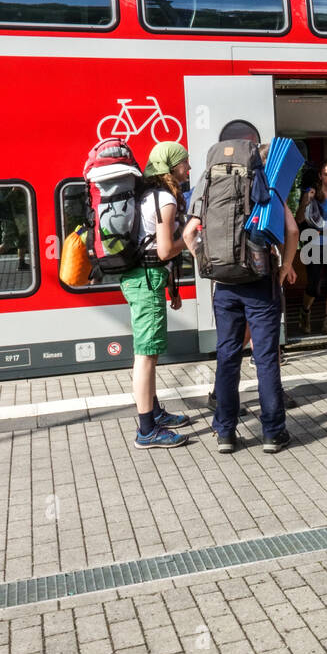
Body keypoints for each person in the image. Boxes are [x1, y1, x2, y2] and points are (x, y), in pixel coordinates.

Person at [184, 127, 299, 455]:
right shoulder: (267, 186)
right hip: (260, 283)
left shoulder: (206, 186)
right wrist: (284, 267)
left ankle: (225, 433)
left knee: (227, 357)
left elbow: (191, 233)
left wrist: (207, 263)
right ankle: (273, 434)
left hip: (224, 286)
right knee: (264, 359)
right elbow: (291, 231)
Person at [127, 141, 193, 449]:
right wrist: (190, 236)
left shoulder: (147, 195)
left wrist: (172, 287)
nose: (188, 169)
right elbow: (165, 249)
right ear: (171, 167)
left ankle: (153, 413)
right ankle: (146, 429)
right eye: (184, 163)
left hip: (143, 278)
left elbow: (153, 247)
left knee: (148, 350)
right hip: (146, 279)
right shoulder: (164, 199)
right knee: (146, 354)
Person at [300, 160, 327, 335]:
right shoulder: (312, 193)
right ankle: (305, 313)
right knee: (314, 284)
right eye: (326, 174)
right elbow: (298, 220)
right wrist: (306, 201)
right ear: (320, 176)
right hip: (315, 243)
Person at [0, 187, 27, 273]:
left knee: (22, 238)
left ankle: (21, 263)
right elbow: (4, 202)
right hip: (8, 219)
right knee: (8, 242)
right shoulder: (2, 187)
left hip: (17, 217)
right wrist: (13, 191)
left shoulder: (8, 185)